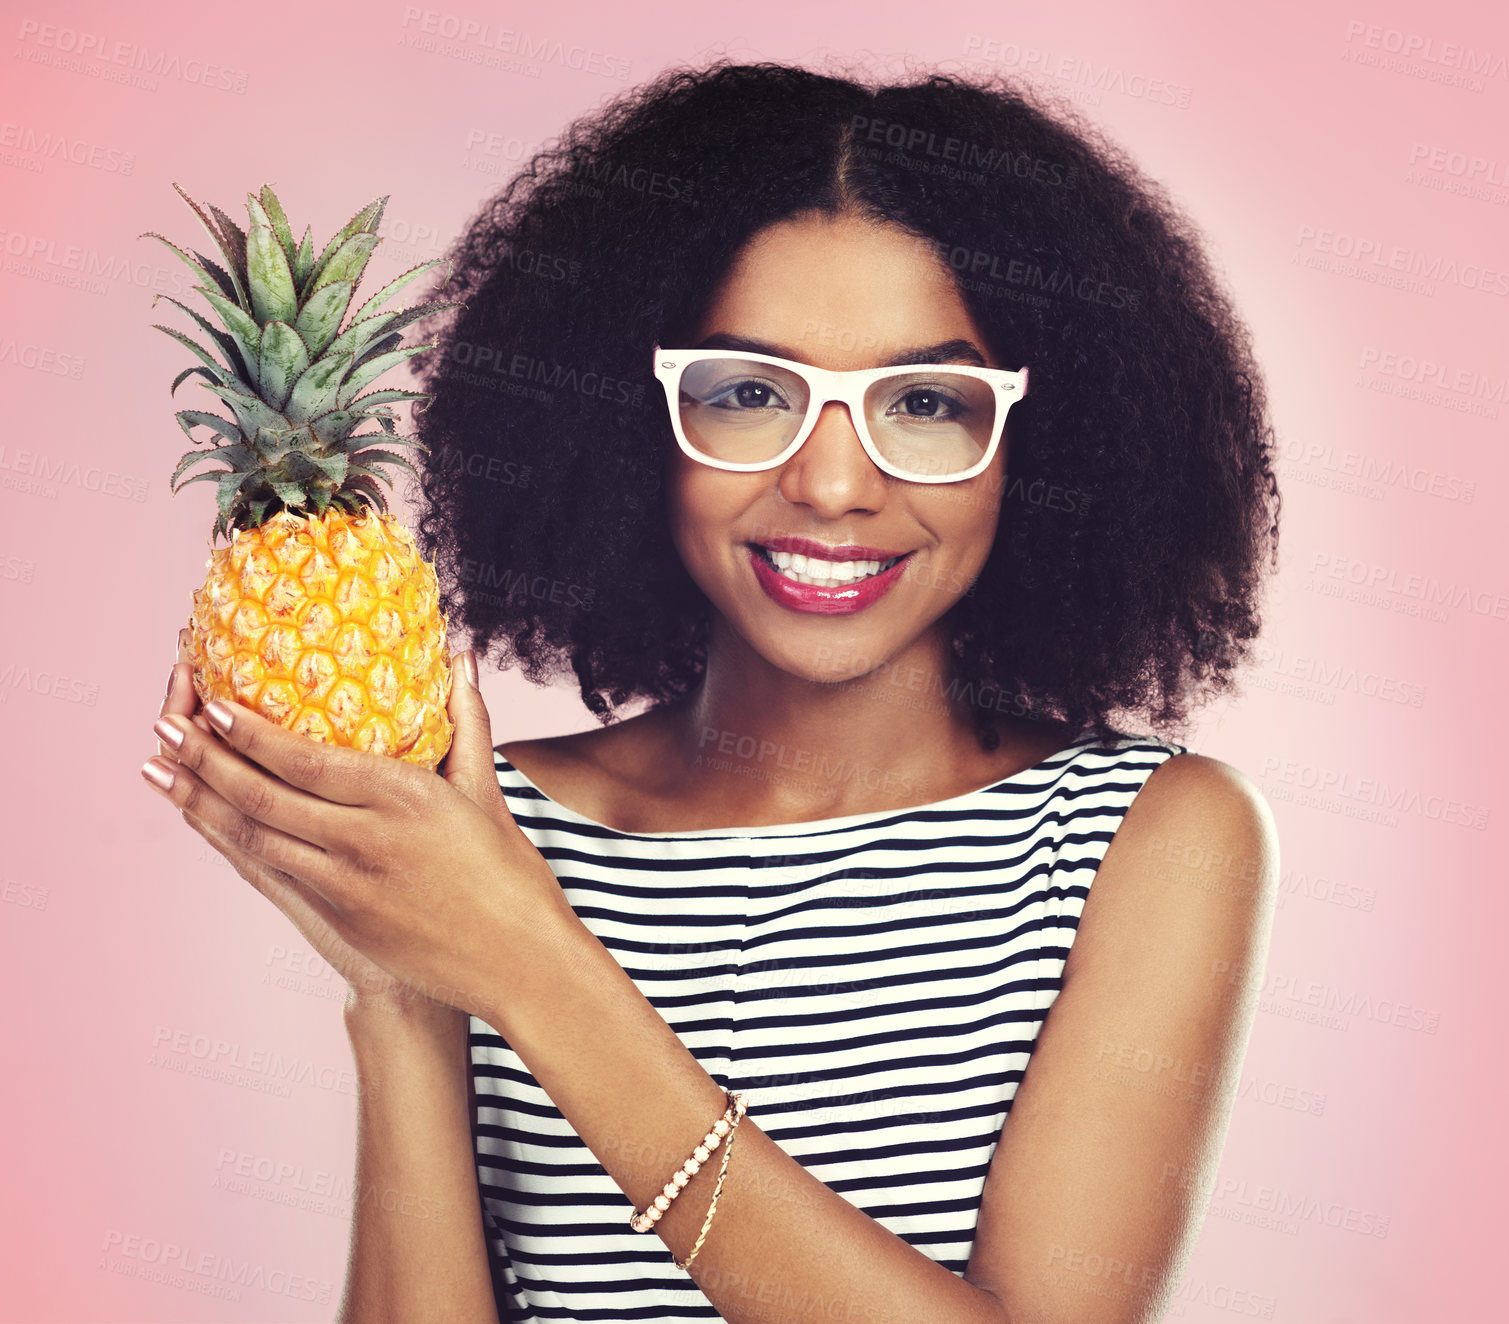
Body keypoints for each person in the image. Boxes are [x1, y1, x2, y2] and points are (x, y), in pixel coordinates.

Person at [145, 59, 1281, 1324]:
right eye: (747, 393)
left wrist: (531, 965)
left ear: (1037, 444)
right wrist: (402, 995)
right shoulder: (473, 837)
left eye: (924, 402)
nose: (835, 485)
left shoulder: (1148, 842)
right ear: (634, 423)